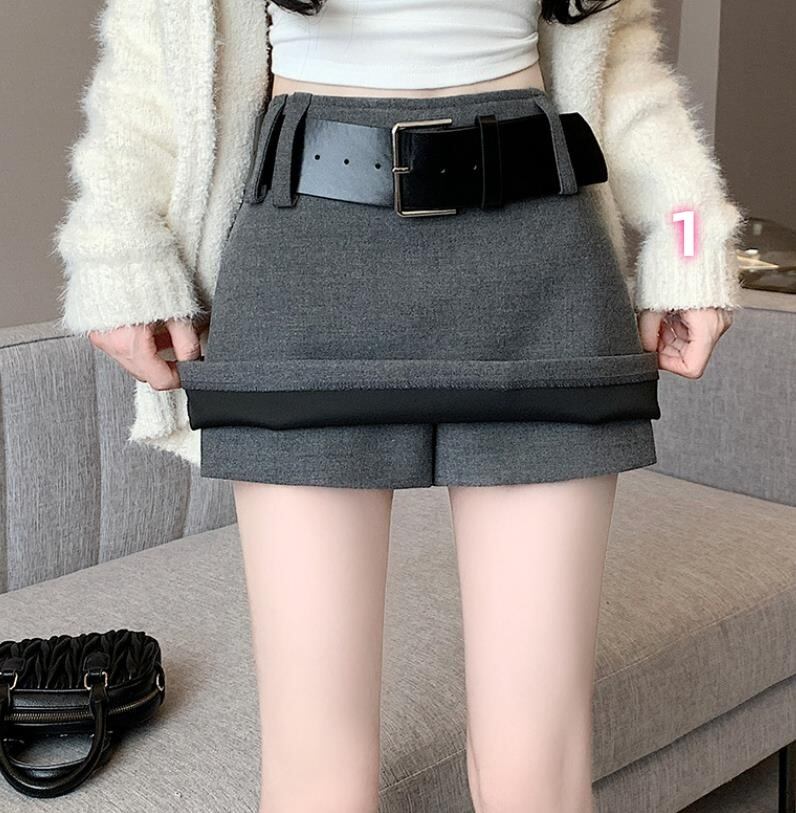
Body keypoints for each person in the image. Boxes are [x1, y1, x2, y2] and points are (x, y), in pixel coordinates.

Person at [54, 1, 744, 811]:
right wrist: (117, 248)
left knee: (539, 775)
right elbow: (155, 42)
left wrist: (690, 241)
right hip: (304, 267)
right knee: (318, 778)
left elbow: (621, 57)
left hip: (540, 266)